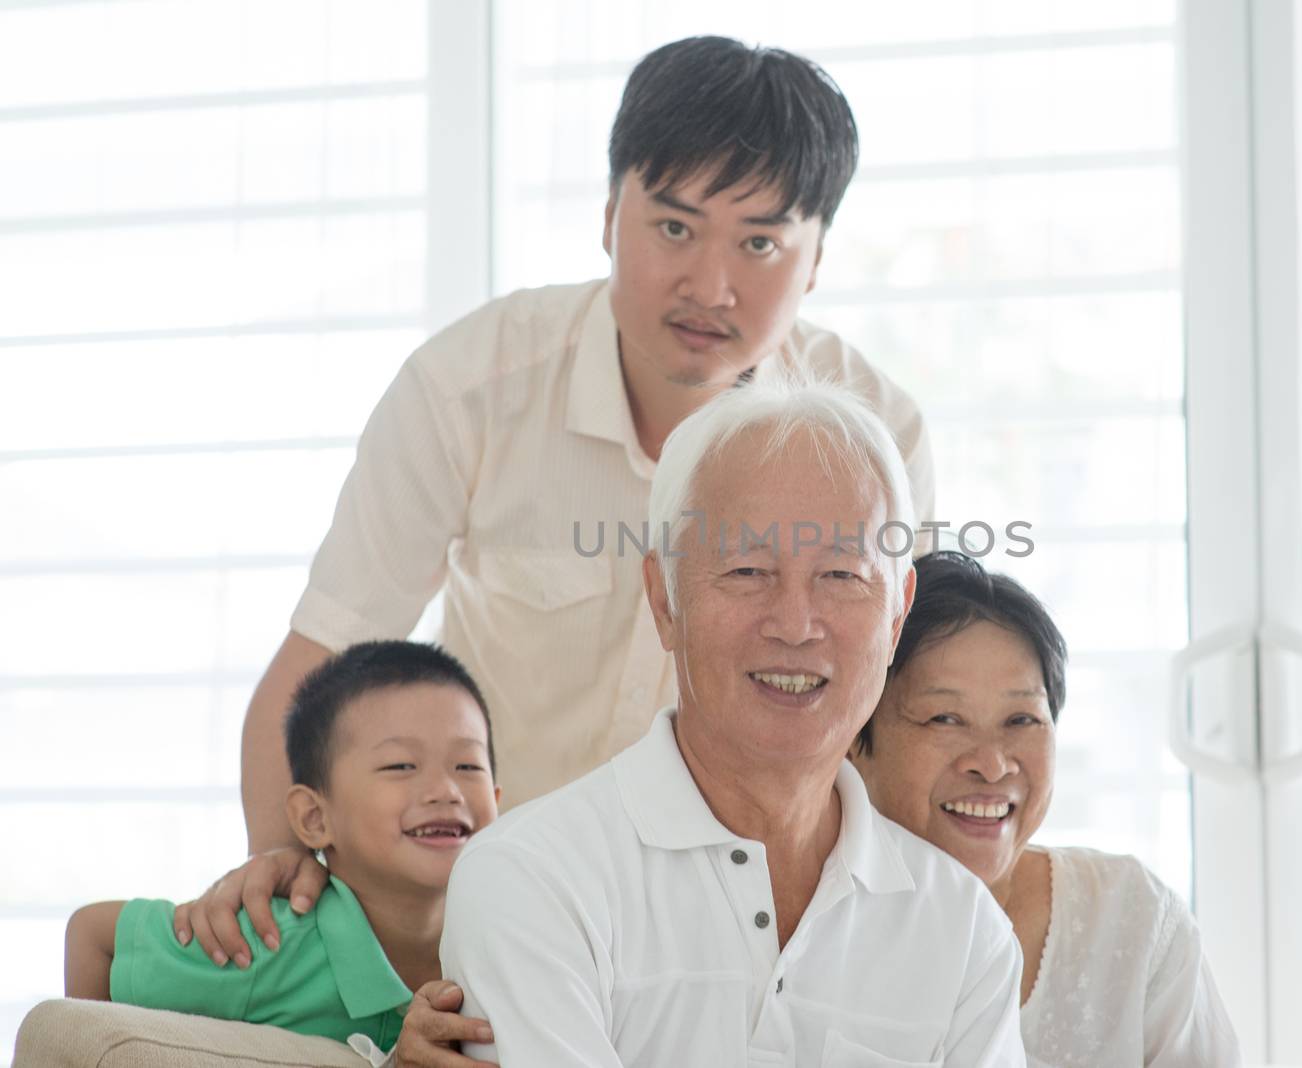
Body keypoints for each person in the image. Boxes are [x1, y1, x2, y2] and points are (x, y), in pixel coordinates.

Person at [175, 34, 935, 974]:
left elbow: (892, 719)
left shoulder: (874, 439)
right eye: (672, 227)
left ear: (817, 260)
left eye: (762, 242)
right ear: (610, 212)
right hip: (478, 920)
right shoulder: (471, 386)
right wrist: (294, 896)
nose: (709, 284)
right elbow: (319, 661)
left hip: (739, 935)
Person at [437, 375, 1023, 1065]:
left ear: (897, 614)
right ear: (664, 601)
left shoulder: (963, 931)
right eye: (747, 571)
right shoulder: (534, 879)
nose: (796, 626)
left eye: (842, 576)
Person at [850, 552, 1242, 1067]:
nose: (991, 765)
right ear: (856, 740)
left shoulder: (1133, 919)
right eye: (945, 718)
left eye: (1022, 719)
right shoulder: (812, 931)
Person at [63, 642, 500, 1057]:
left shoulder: (514, 945)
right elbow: (93, 936)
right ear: (314, 818)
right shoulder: (263, 946)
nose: (446, 790)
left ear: (499, 801)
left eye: (468, 766)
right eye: (401, 765)